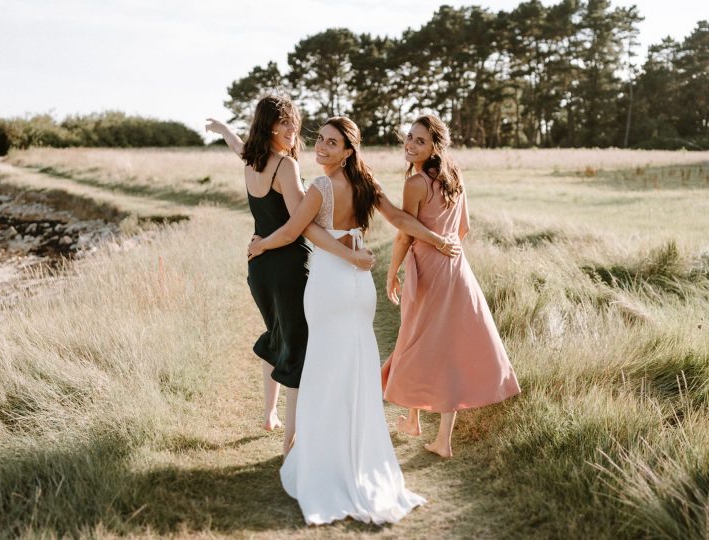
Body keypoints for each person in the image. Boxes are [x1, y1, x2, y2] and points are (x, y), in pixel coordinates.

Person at [247, 117, 460, 525]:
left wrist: (260, 246)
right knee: (355, 373)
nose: (321, 148)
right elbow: (399, 219)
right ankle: (355, 456)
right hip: (360, 286)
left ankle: (325, 461)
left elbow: (294, 231)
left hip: (329, 285)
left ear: (348, 150)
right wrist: (437, 238)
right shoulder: (366, 184)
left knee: (326, 372)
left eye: (332, 143)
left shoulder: (320, 188)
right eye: (320, 140)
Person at [205, 96, 374, 457]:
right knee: (295, 349)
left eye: (293, 122)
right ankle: (291, 446)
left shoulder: (252, 160)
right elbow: (302, 226)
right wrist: (348, 249)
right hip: (284, 265)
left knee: (276, 335)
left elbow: (238, 146)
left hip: (259, 270)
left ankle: (270, 416)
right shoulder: (285, 165)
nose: (292, 129)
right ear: (267, 127)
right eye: (282, 123)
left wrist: (223, 130)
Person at [381, 114, 521, 458]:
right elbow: (464, 229)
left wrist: (392, 271)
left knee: (416, 341)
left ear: (434, 147)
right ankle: (418, 424)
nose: (410, 145)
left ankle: (440, 440)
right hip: (457, 270)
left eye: (420, 141)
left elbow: (404, 233)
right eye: (410, 137)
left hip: (427, 270)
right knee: (440, 346)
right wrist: (447, 249)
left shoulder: (416, 183)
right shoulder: (454, 178)